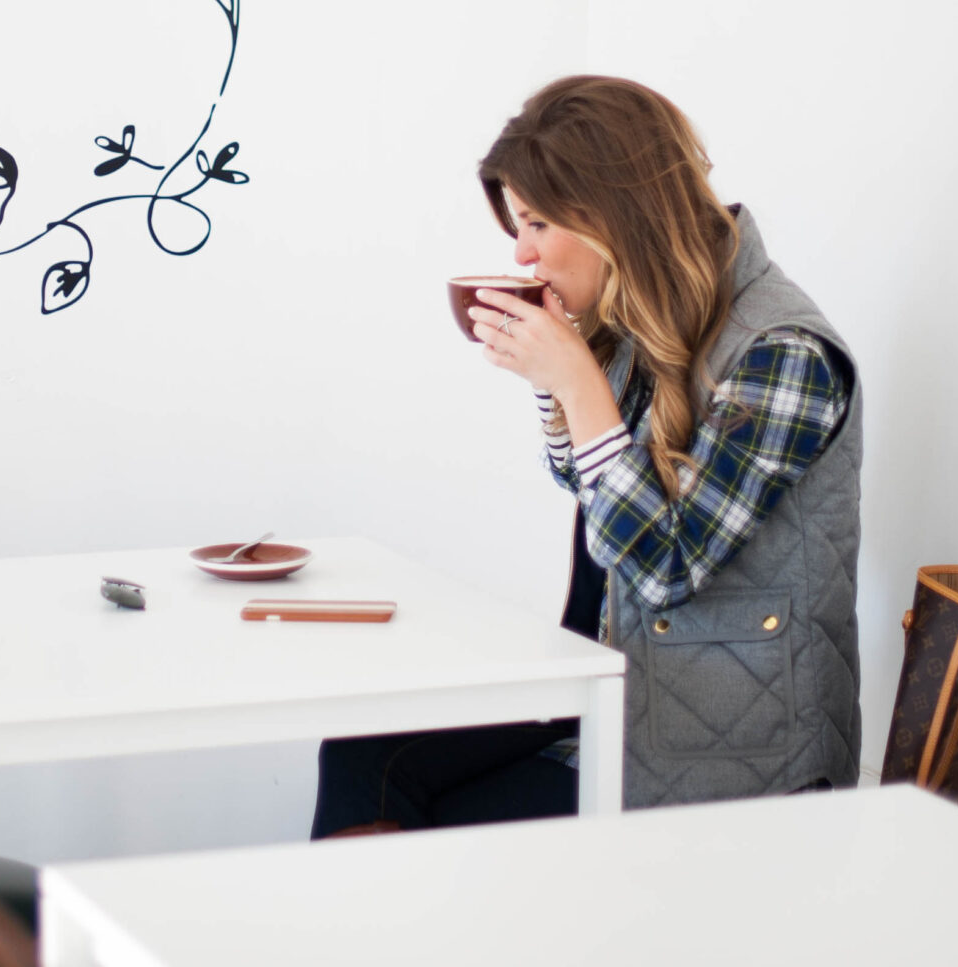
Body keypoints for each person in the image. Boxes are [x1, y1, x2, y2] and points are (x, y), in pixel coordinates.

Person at [310, 75, 863, 835]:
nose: (521, 249)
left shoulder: (785, 354)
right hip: (621, 686)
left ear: (612, 213)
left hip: (724, 754)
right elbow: (589, 482)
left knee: (442, 819)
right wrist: (557, 377)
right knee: (365, 750)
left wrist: (576, 379)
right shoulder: (653, 307)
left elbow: (664, 563)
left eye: (536, 222)